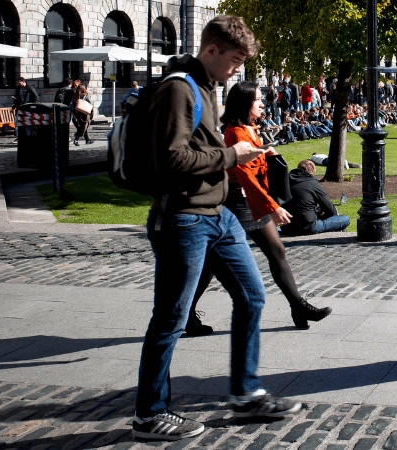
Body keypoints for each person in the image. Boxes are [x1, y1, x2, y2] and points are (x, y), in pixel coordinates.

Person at [133, 15, 302, 442]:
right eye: (234, 60)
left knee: (252, 296)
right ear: (210, 50)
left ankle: (245, 394)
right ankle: (149, 414)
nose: (237, 70)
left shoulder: (208, 87)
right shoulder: (179, 89)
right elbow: (170, 160)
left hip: (218, 214)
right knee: (171, 316)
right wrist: (232, 157)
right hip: (184, 217)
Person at [185, 80, 332, 335]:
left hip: (249, 200)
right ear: (245, 104)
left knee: (276, 252)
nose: (262, 103)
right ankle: (184, 313)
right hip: (237, 202)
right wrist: (272, 207)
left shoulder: (250, 128)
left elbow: (254, 164)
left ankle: (298, 306)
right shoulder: (235, 131)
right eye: (257, 99)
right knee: (212, 262)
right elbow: (244, 175)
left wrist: (267, 152)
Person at [281, 159, 350, 236]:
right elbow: (330, 209)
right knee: (345, 219)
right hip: (307, 226)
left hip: (286, 227)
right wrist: (323, 215)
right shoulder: (312, 183)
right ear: (313, 172)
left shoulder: (285, 182)